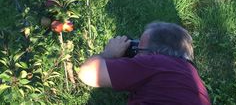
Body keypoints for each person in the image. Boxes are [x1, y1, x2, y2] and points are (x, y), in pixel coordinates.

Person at [78, 22, 211, 105]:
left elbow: (87, 73)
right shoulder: (192, 76)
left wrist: (109, 54)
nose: (135, 55)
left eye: (139, 49)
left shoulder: (155, 63)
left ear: (155, 52)